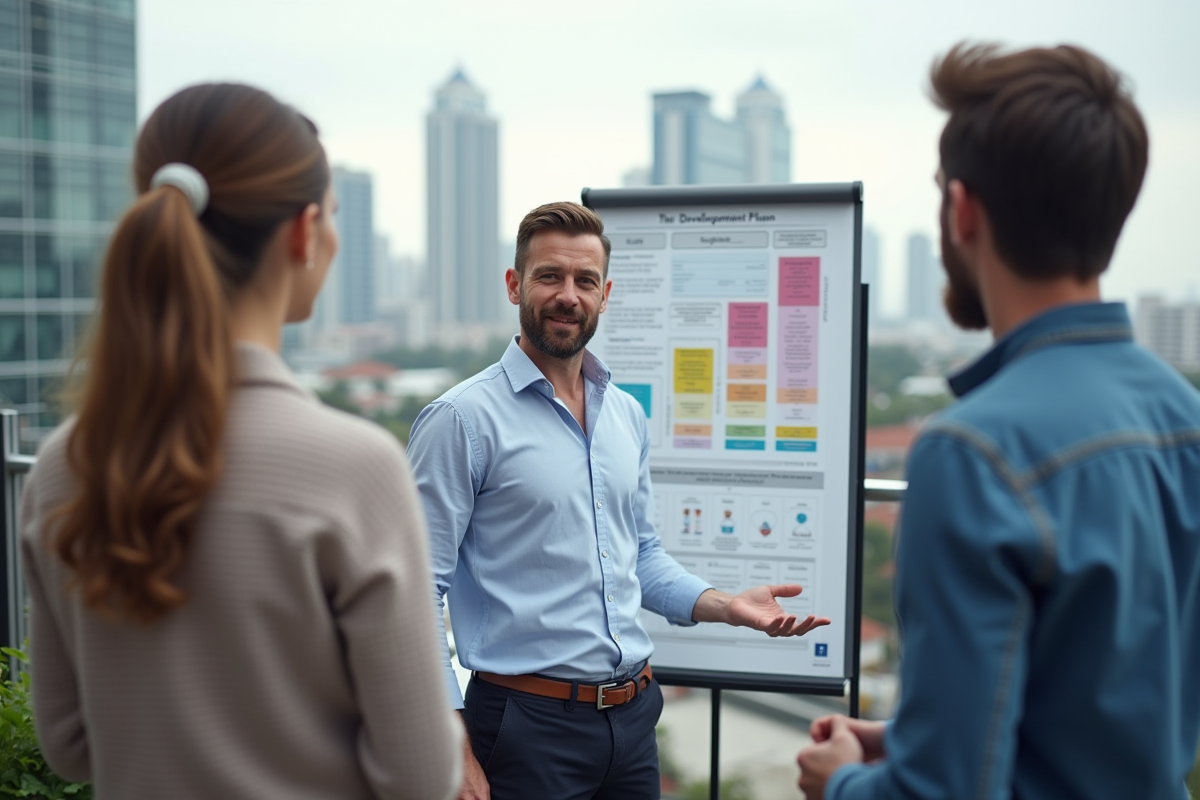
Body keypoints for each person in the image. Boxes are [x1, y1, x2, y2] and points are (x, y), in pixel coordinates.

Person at [19, 83, 462, 799]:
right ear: (303, 231)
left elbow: (68, 744)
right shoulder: (355, 468)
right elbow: (418, 775)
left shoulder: (60, 467)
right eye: (334, 217)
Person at [796, 42, 1200, 800]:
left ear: (962, 208)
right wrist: (916, 738)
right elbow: (1105, 719)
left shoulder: (972, 452)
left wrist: (841, 783)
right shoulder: (1185, 415)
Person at [407, 201, 831, 800]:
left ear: (605, 294)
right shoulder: (461, 419)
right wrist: (450, 739)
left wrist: (726, 605)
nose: (567, 296)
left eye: (584, 281)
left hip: (633, 720)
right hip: (526, 726)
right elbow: (417, 590)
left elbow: (643, 554)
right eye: (549, 276)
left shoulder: (625, 414)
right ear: (514, 285)